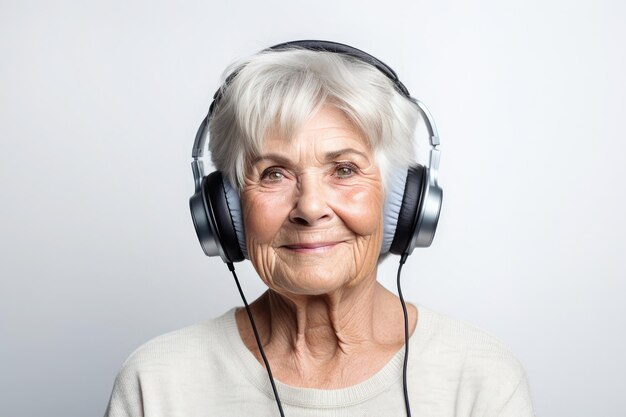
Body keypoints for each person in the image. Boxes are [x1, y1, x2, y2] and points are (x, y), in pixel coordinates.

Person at [105, 41, 535, 417]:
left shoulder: (480, 379)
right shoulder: (157, 383)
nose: (310, 208)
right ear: (227, 209)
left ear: (401, 200)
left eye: (344, 170)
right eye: (274, 173)